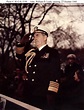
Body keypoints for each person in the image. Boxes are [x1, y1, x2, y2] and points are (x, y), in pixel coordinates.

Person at [21, 25, 60, 109]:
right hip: (28, 93)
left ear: (45, 37)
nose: (35, 38)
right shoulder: (32, 53)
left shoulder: (52, 53)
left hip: (42, 95)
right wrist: (22, 43)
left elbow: (55, 74)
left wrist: (51, 94)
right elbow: (19, 56)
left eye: (37, 35)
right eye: (34, 35)